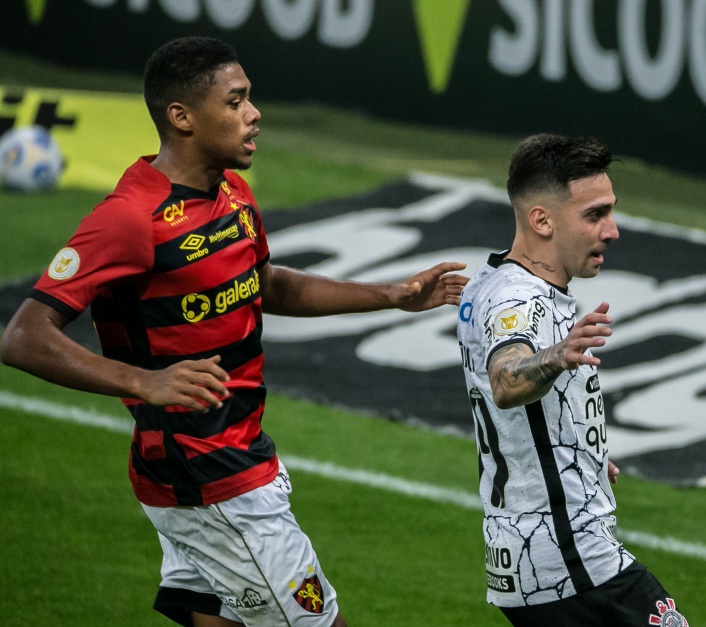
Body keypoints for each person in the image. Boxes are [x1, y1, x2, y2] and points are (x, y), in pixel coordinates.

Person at [0, 36, 467, 627]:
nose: (255, 113)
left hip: (229, 455)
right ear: (182, 118)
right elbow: (22, 335)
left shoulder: (230, 191)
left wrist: (389, 296)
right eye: (236, 100)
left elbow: (268, 284)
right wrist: (144, 381)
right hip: (208, 475)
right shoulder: (129, 219)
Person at [456, 134, 689, 626]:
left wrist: (581, 457)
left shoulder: (494, 279)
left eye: (611, 211)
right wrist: (560, 354)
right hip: (569, 559)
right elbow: (505, 379)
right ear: (541, 219)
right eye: (594, 215)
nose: (612, 230)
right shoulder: (522, 300)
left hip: (529, 556)